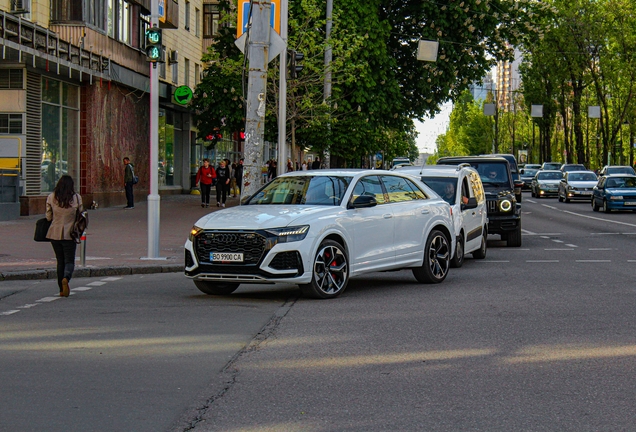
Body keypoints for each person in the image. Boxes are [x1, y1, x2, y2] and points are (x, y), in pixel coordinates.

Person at [46, 175, 83, 297]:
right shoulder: (76, 198)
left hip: (54, 233)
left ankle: (61, 290)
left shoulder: (51, 197)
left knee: (60, 261)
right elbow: (81, 214)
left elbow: (48, 217)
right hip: (70, 234)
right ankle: (66, 278)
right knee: (69, 260)